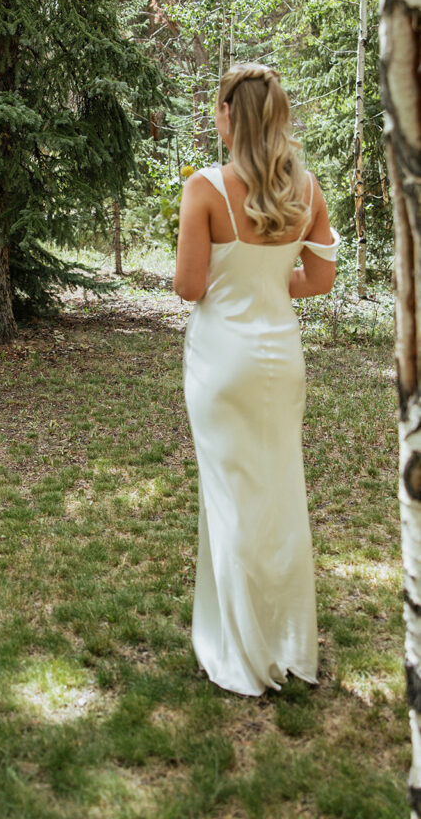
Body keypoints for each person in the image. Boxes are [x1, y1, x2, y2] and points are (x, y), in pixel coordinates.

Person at [174, 63, 339, 696]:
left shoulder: (205, 189)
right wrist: (272, 284)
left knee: (230, 501)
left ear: (226, 115)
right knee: (279, 495)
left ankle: (242, 653)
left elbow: (190, 287)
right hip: (280, 357)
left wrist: (234, 280)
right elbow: (319, 280)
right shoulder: (307, 188)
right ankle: (287, 642)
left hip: (222, 360)